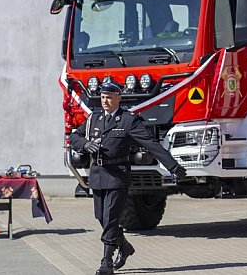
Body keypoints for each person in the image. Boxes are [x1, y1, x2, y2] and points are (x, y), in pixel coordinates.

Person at [70, 82, 187, 275]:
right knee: (101, 217)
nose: (105, 101)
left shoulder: (128, 121)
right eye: (102, 97)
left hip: (117, 176)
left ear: (118, 98)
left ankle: (106, 261)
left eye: (109, 97)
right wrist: (85, 144)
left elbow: (151, 144)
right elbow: (75, 137)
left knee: (110, 218)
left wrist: (173, 166)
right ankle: (124, 247)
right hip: (97, 175)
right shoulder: (94, 119)